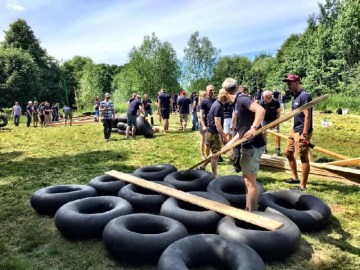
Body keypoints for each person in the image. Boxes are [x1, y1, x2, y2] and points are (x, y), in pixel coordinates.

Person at [221, 78, 266, 211]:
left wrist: (253, 128)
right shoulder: (237, 102)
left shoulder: (242, 100)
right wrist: (227, 145)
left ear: (226, 91)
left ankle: (251, 212)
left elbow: (261, 110)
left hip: (253, 145)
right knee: (248, 181)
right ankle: (250, 208)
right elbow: (240, 133)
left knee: (250, 183)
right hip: (248, 145)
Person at [282, 74, 313, 191]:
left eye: (289, 83)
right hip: (295, 129)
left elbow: (307, 116)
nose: (288, 85)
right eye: (287, 83)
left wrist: (304, 134)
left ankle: (302, 186)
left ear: (297, 83)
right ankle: (295, 178)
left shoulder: (305, 96)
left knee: (303, 157)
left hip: (302, 131)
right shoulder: (295, 96)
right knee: (288, 152)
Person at [198, 89, 229, 177]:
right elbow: (217, 123)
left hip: (211, 132)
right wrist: (224, 135)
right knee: (215, 156)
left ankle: (202, 166)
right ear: (224, 98)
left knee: (214, 152)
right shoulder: (218, 106)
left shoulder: (217, 103)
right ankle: (215, 175)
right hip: (213, 133)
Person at [260, 90, 281, 156]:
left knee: (277, 132)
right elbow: (260, 114)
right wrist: (261, 124)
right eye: (268, 97)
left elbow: (278, 112)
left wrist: (276, 122)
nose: (270, 98)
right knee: (263, 133)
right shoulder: (261, 103)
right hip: (265, 119)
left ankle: (278, 150)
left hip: (274, 119)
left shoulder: (276, 102)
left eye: (271, 96)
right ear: (264, 98)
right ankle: (264, 149)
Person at [197, 90, 208, 159]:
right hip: (202, 123)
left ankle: (207, 154)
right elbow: (198, 115)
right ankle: (202, 154)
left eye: (206, 95)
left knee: (208, 140)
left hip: (209, 123)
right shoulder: (199, 105)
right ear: (200, 97)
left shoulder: (207, 103)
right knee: (203, 139)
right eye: (204, 96)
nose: (205, 97)